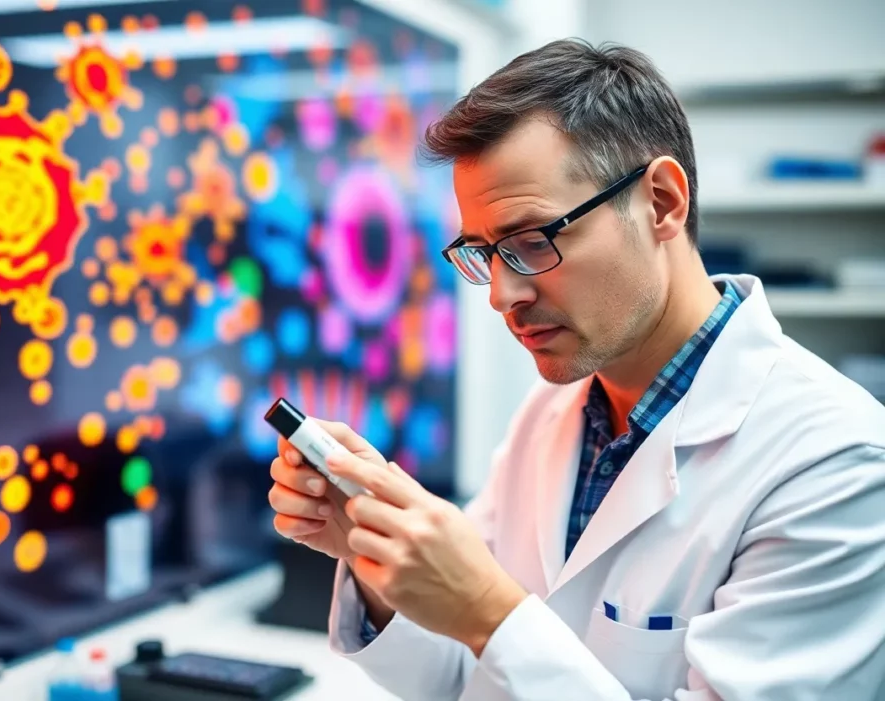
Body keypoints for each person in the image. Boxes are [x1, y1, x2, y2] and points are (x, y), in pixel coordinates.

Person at [267, 38, 885, 700]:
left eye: (532, 241)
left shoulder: (838, 465)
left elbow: (494, 631)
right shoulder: (554, 410)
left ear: (661, 202)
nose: (502, 295)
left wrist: (487, 609)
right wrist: (376, 558)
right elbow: (468, 678)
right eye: (484, 254)